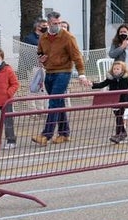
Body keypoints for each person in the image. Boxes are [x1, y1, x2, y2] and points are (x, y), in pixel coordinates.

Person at [32, 12, 89, 146]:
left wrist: (81, 74)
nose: (57, 25)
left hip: (63, 72)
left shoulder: (68, 37)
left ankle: (46, 135)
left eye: (59, 23)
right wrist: (41, 57)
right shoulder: (43, 37)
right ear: (49, 23)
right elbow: (40, 51)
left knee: (53, 102)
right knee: (58, 102)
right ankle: (64, 133)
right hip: (49, 71)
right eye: (54, 23)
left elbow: (77, 56)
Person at [92, 60, 128, 143]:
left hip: (123, 100)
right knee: (118, 116)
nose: (116, 70)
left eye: (118, 69)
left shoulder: (126, 78)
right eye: (114, 69)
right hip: (113, 100)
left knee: (119, 117)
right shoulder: (110, 79)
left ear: (122, 70)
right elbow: (102, 84)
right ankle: (123, 133)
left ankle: (117, 135)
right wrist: (92, 84)